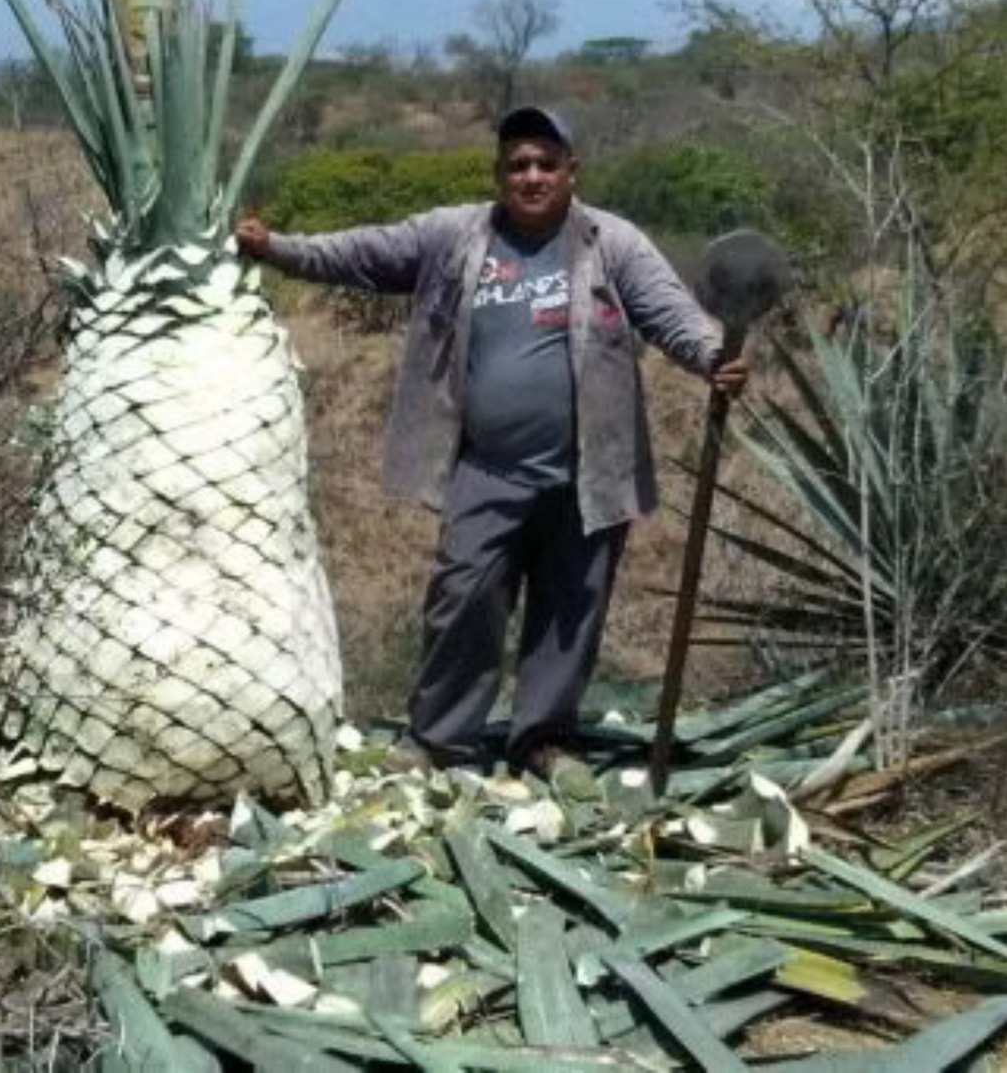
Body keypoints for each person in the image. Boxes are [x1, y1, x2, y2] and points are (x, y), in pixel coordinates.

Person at [233, 105, 748, 779]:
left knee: (569, 611)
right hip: (486, 468)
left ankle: (543, 740)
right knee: (462, 600)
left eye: (544, 163)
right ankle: (437, 741)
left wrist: (713, 355)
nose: (530, 176)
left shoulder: (609, 241)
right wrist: (278, 249)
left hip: (588, 471)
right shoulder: (455, 234)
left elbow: (669, 314)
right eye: (517, 164)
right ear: (498, 173)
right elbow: (362, 252)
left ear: (571, 171)